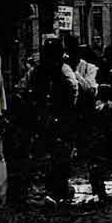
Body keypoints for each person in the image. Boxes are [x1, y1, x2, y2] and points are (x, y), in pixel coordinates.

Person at [30, 34, 80, 202]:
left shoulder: (44, 69)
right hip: (55, 117)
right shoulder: (59, 69)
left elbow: (73, 90)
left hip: (52, 117)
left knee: (55, 154)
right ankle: (57, 189)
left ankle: (57, 189)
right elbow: (74, 89)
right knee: (57, 154)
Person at [84, 84, 112, 203]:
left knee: (95, 166)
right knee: (99, 166)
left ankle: (98, 191)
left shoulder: (98, 106)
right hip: (102, 138)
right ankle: (99, 192)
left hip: (98, 138)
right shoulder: (109, 106)